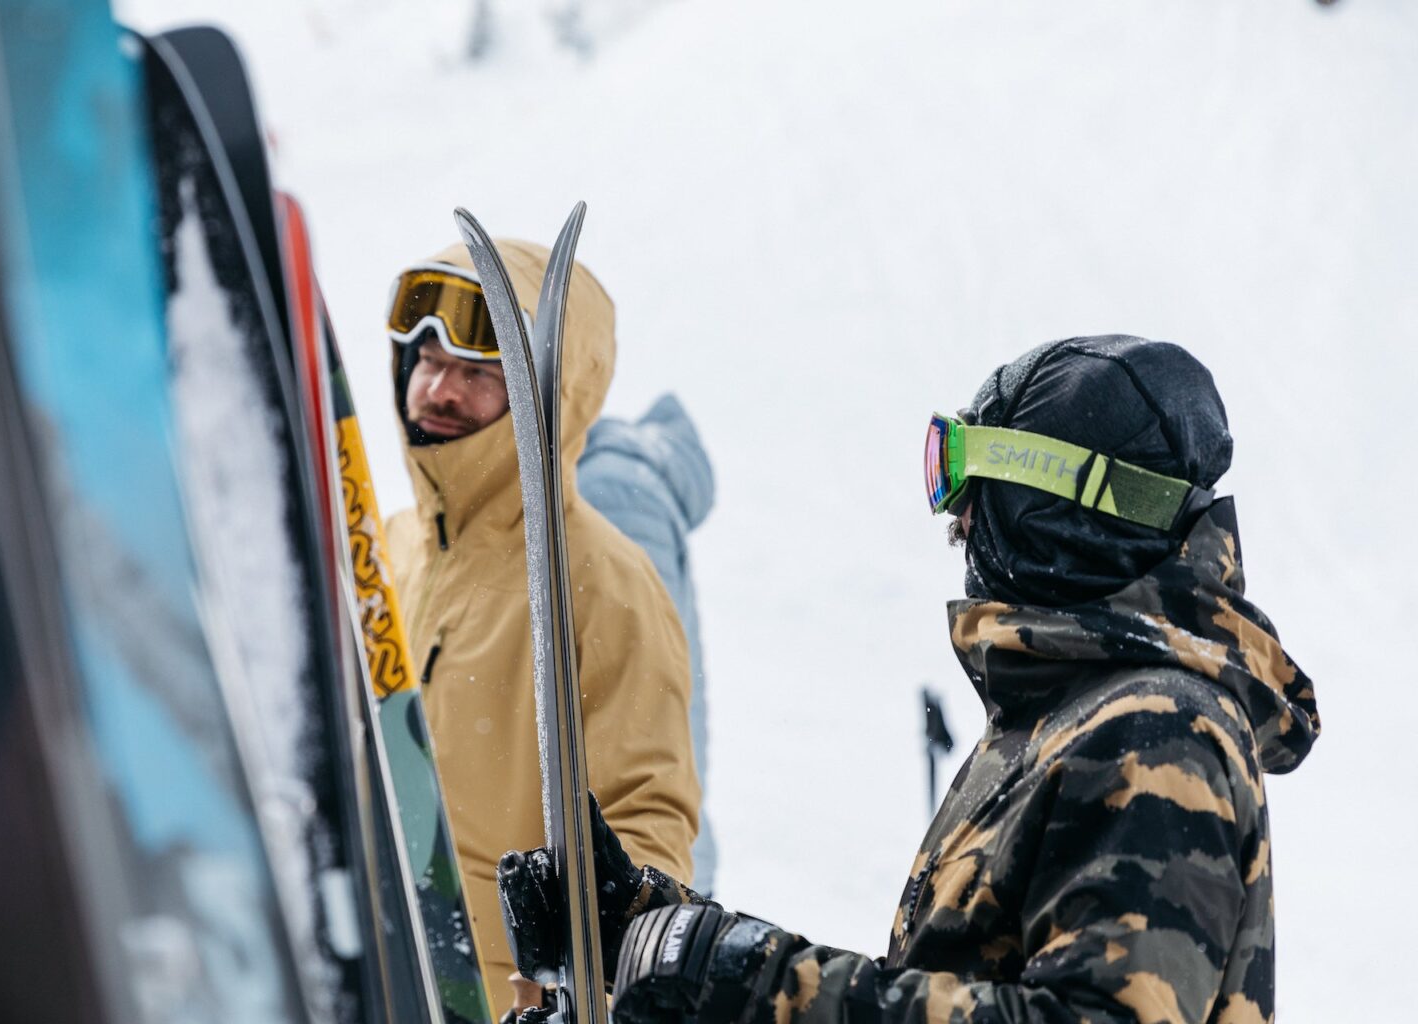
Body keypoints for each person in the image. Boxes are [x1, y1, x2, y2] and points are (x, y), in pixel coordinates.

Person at [499, 336, 1321, 1024]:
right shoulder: (1069, 723)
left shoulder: (1157, 732)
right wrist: (648, 938)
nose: (955, 519)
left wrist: (739, 982)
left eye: (971, 482)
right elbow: (953, 990)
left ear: (1057, 509)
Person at [382, 243, 702, 1019]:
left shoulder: (602, 583)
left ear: (549, 398)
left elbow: (645, 818)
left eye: (480, 372)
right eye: (427, 357)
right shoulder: (385, 549)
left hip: (501, 1004)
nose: (440, 389)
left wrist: (591, 980)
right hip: (372, 973)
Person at [579, 395, 719, 894]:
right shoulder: (620, 482)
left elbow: (635, 698)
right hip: (659, 842)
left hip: (630, 858)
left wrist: (635, 895)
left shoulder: (613, 490)